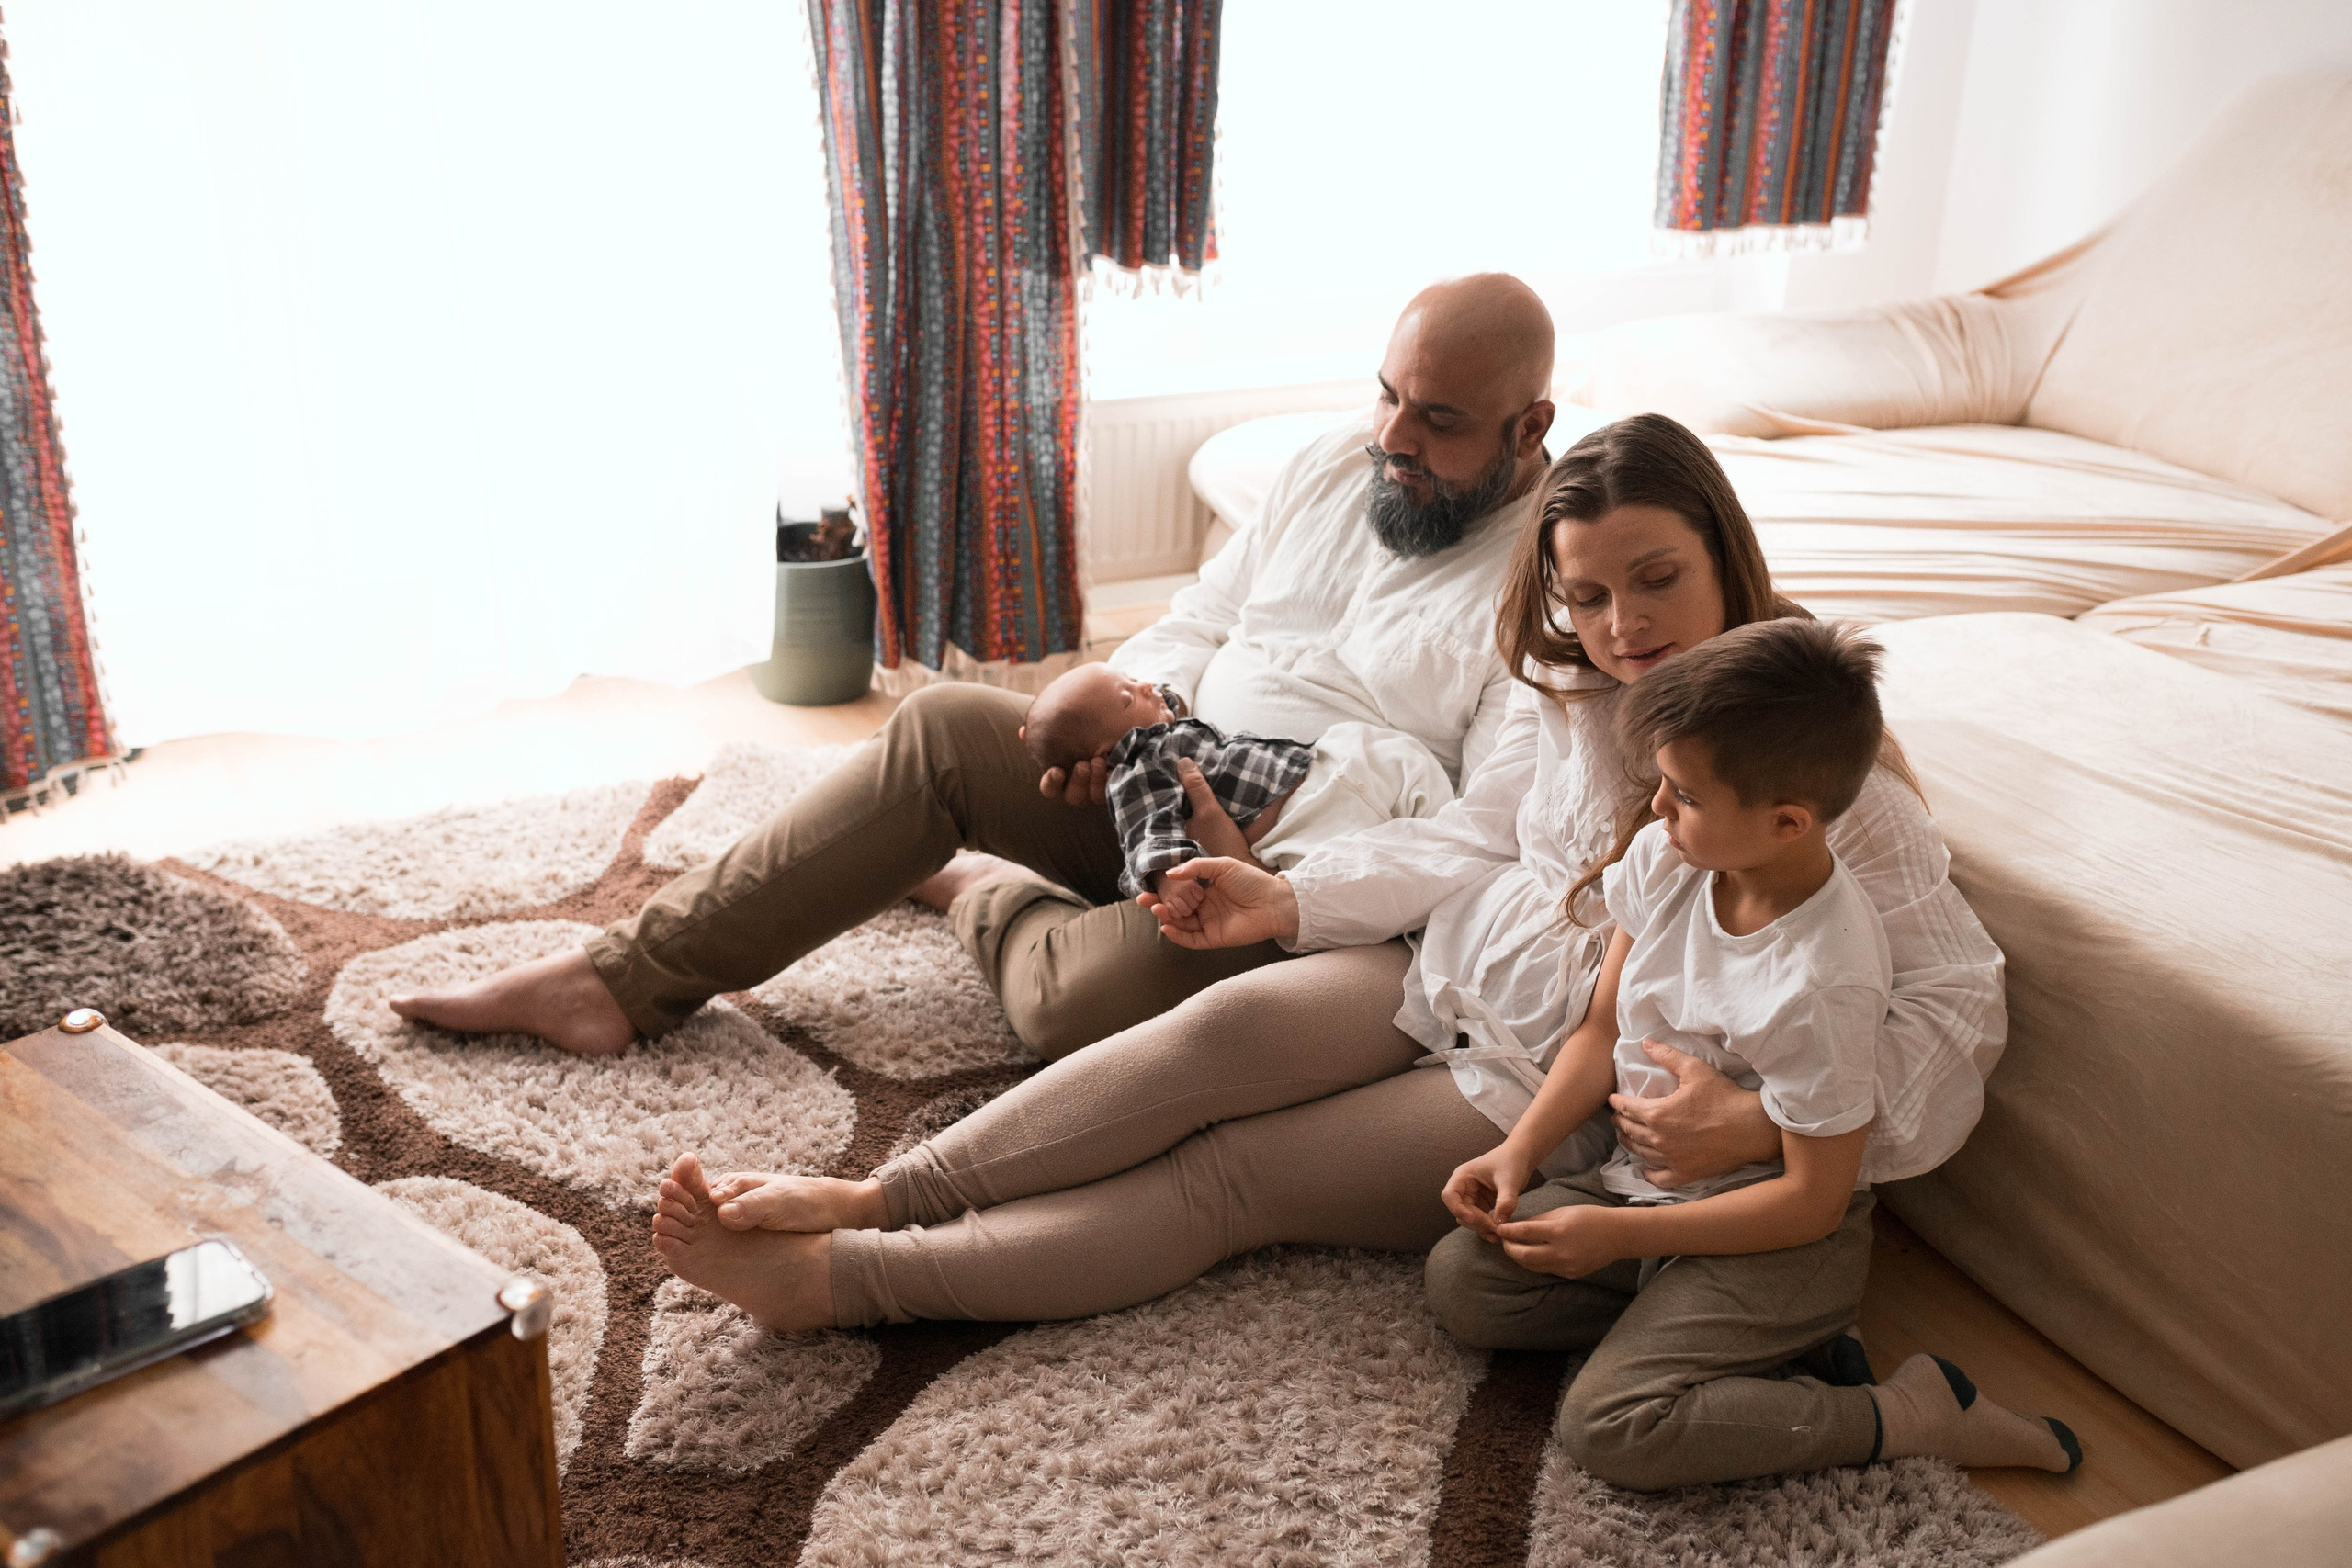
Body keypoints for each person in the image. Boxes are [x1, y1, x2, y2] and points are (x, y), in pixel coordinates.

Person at [640, 416, 2009, 1403]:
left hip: (1549, 1091)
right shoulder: (1569, 692)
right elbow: (1476, 843)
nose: (1620, 623)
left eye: (1655, 577)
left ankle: (847, 1279)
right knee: (1200, 1044)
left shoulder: (1816, 779)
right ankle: (875, 1188)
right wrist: (1289, 902)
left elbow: (1957, 1012)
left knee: (1228, 1177)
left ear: (1726, 554)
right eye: (1586, 592)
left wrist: (1769, 1120)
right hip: (1443, 972)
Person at [386, 272, 1561, 1061]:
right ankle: (617, 981)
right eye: (1388, 397)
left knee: (1069, 1010)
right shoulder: (1329, 463)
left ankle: (969, 885)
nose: (1394, 439)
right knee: (945, 724)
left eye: (1440, 421)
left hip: (1278, 863)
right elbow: (1199, 616)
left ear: (1529, 428)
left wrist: (1286, 892)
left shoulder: (1557, 583)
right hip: (1167, 756)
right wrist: (1121, 726)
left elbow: (1481, 833)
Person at [1428, 615, 2080, 1488]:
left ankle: (1910, 1412)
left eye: (1685, 796)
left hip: (1783, 1236)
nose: (1657, 809)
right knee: (1464, 1281)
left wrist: (1615, 1237)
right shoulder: (1670, 859)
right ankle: (1750, 1346)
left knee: (1611, 1425)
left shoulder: (1826, 976)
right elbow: (1600, 1029)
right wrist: (1519, 1150)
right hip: (1652, 1191)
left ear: (1786, 821)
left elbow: (1813, 1198)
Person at [1018, 661, 1453, 910]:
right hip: (1293, 828)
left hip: (1319, 764)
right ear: (1108, 747)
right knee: (1343, 877)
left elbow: (1155, 698)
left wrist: (1140, 701)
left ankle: (1449, 853)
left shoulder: (1154, 727)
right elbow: (1147, 830)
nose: (1146, 685)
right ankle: (992, 892)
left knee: (1405, 759)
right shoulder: (1137, 767)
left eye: (1134, 677)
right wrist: (1170, 878)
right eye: (1129, 696)